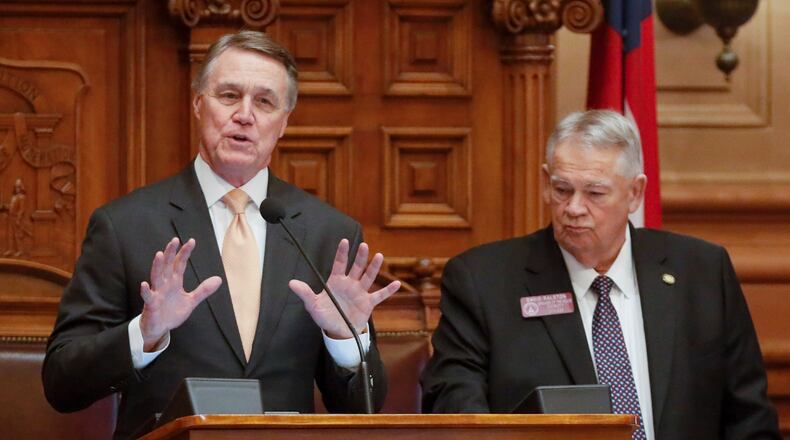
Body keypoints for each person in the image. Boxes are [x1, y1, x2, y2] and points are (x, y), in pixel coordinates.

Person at [42, 30, 400, 439]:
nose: (245, 114)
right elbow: (61, 382)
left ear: (283, 123)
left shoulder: (328, 235)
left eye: (264, 102)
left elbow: (364, 408)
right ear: (198, 104)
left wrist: (343, 339)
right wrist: (145, 332)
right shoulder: (126, 226)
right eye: (229, 95)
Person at [421, 110, 780, 439]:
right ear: (546, 182)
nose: (574, 208)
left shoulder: (701, 273)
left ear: (635, 193)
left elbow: (750, 421)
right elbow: (457, 413)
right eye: (562, 190)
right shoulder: (483, 281)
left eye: (595, 193)